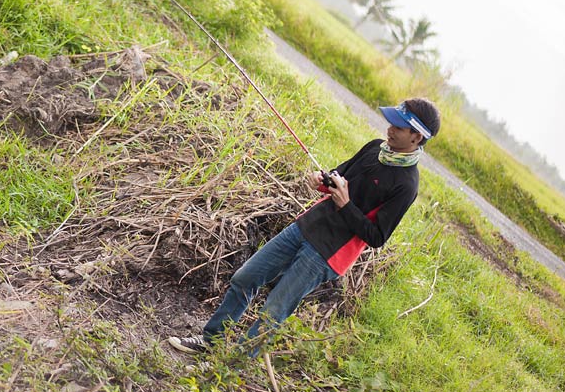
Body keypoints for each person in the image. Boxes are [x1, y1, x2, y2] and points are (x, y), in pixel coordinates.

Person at [167, 98, 441, 356]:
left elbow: (377, 236)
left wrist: (345, 204)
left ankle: (234, 363)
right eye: (391, 122)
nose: (390, 129)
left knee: (274, 310)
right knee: (245, 277)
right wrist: (322, 180)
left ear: (416, 137)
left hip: (328, 253)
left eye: (399, 127)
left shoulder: (407, 185)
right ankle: (210, 340)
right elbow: (339, 175)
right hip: (306, 226)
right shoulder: (374, 147)